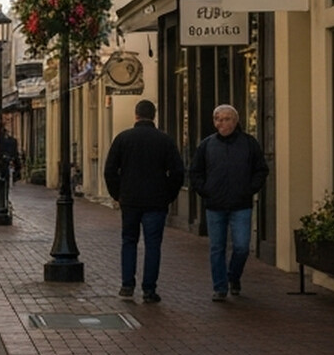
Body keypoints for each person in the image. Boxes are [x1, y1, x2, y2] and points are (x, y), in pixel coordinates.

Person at [103, 99, 184, 304]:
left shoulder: (123, 138)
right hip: (156, 201)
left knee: (129, 241)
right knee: (153, 245)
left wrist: (117, 194)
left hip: (130, 199)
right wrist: (169, 195)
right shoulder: (165, 140)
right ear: (154, 115)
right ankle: (149, 289)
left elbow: (110, 170)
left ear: (136, 115)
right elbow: (177, 172)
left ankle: (127, 284)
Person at [188, 103, 268, 301]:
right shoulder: (207, 144)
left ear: (236, 121)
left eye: (226, 119)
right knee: (217, 247)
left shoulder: (249, 143)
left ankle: (233, 276)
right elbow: (195, 171)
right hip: (215, 205)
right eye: (218, 119)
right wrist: (205, 191)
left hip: (241, 205)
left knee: (241, 246)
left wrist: (250, 189)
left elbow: (261, 169)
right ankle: (220, 287)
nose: (222, 123)